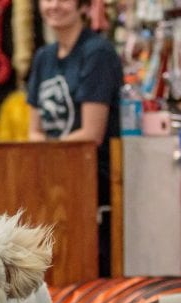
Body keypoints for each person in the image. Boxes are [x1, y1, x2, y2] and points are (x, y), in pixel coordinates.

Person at [25, 0, 122, 276]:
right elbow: (35, 129)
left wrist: (47, 156)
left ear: (83, 6)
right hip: (52, 178)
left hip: (91, 182)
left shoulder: (98, 53)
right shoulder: (44, 57)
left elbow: (91, 134)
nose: (54, 5)